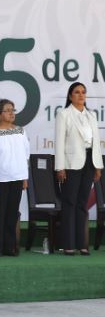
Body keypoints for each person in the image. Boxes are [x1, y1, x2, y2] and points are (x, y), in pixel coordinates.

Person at [54, 82, 103, 256]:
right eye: (77, 92)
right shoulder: (64, 114)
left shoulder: (91, 115)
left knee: (82, 204)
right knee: (70, 203)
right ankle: (68, 245)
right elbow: (59, 142)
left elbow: (96, 142)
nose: (81, 95)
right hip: (71, 164)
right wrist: (60, 167)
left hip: (90, 161)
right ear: (70, 96)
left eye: (83, 92)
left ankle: (82, 244)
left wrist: (98, 166)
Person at [0, 99, 29, 257]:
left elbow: (26, 155)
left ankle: (10, 247)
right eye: (8, 110)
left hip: (17, 177)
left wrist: (25, 177)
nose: (11, 113)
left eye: (13, 110)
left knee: (12, 214)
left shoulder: (21, 131)